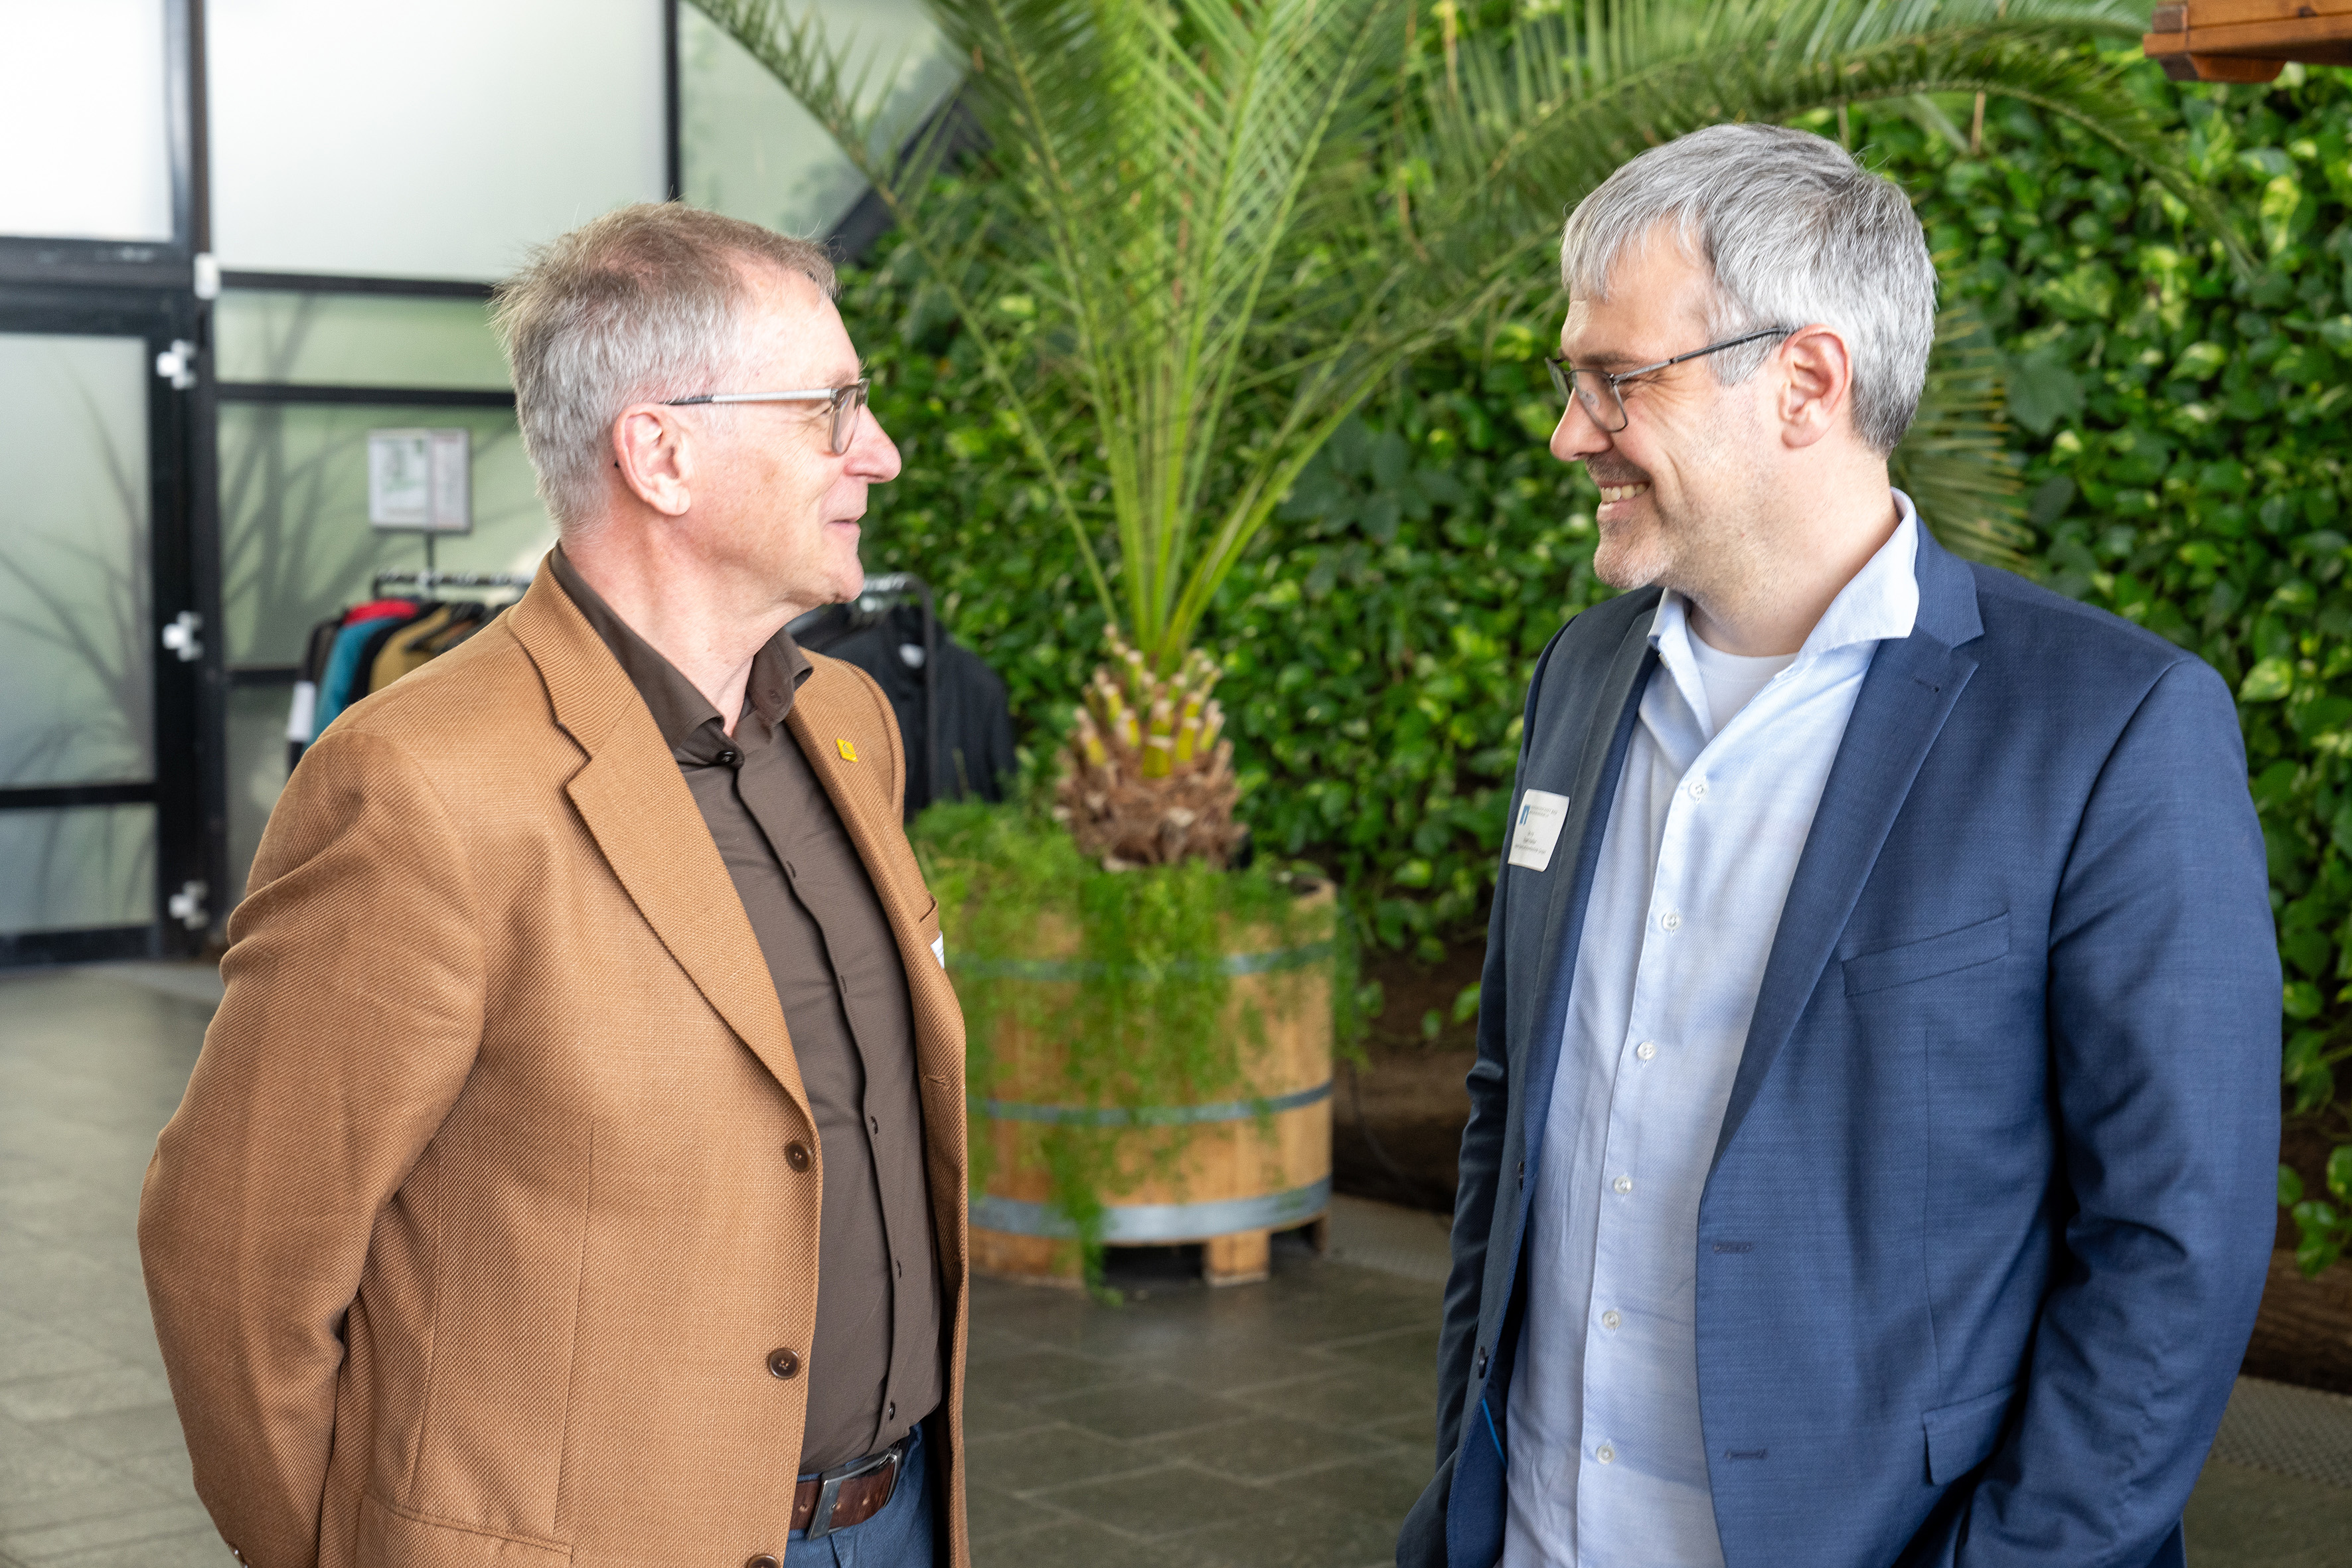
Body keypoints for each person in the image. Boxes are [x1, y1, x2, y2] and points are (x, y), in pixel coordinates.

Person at [1397, 123, 2278, 1568]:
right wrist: (1463, 1477)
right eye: (1572, 380)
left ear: (1806, 381)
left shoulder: (2112, 727)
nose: (1570, 432)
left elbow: (2172, 1243)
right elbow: (1509, 1105)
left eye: (1617, 379)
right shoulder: (1580, 675)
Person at [139, 204, 970, 1568]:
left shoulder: (849, 722)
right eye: (831, 407)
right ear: (661, 453)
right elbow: (230, 1255)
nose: (876, 451)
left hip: (901, 1515)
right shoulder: (418, 783)